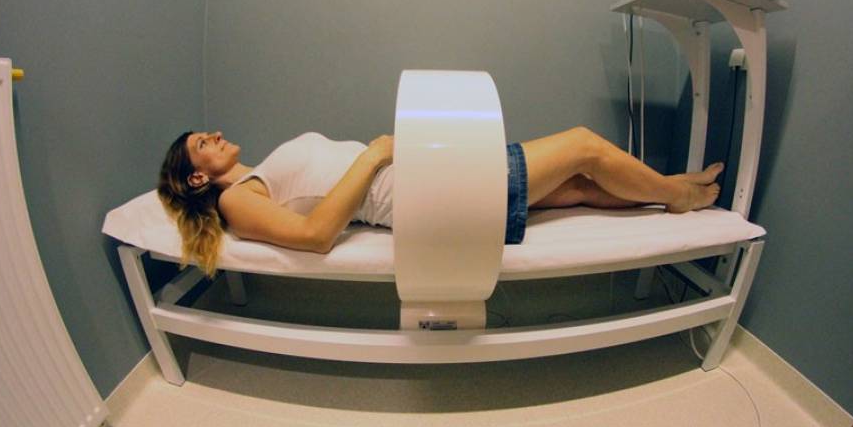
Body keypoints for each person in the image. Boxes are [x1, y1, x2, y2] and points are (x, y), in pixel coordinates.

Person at [158, 128, 722, 277]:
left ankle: (670, 183)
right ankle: (677, 196)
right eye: (202, 144)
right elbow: (315, 236)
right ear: (197, 178)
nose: (215, 136)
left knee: (577, 186)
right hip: (441, 196)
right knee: (582, 147)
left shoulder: (259, 176)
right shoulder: (236, 202)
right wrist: (374, 154)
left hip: (438, 180)